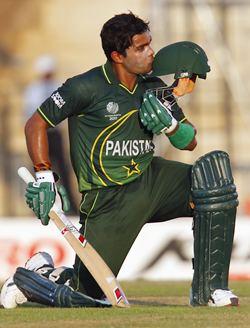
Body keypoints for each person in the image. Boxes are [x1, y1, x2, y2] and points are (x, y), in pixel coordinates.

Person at [1, 12, 239, 309]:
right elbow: (35, 123)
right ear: (117, 55)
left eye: (149, 44)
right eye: (140, 48)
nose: (150, 52)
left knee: (213, 182)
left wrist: (172, 127)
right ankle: (42, 272)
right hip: (108, 197)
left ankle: (210, 290)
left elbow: (190, 142)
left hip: (152, 178)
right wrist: (45, 175)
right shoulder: (85, 86)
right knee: (89, 294)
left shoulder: (153, 86)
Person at [23, 55, 78, 214]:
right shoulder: (33, 89)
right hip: (40, 134)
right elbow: (30, 114)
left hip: (55, 134)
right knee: (39, 170)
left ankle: (71, 206)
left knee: (63, 169)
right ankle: (38, 207)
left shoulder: (57, 86)